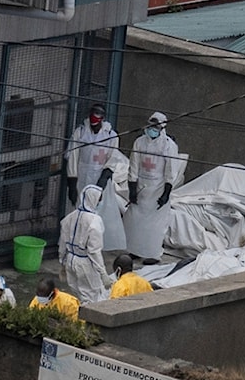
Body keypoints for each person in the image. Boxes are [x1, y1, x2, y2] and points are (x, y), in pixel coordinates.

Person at [123, 112, 187, 265]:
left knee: (155, 225)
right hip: (141, 187)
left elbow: (171, 171)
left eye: (156, 126)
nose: (152, 129)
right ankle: (134, 250)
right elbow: (134, 165)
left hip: (158, 188)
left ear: (162, 127)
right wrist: (132, 188)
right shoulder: (139, 142)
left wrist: (166, 193)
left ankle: (153, 254)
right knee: (134, 221)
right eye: (151, 125)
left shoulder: (168, 146)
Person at [58, 184, 114, 304]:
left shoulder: (70, 217)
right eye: (99, 200)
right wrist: (102, 272)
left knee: (77, 293)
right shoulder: (95, 221)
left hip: (70, 260)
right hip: (85, 264)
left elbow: (62, 244)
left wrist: (62, 263)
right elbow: (94, 251)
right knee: (91, 297)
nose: (100, 203)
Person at [64, 104, 127, 208]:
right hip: (81, 178)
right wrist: (72, 183)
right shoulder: (80, 133)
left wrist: (102, 182)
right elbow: (72, 158)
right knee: (79, 206)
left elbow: (113, 160)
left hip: (100, 179)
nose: (94, 126)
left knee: (99, 209)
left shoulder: (111, 136)